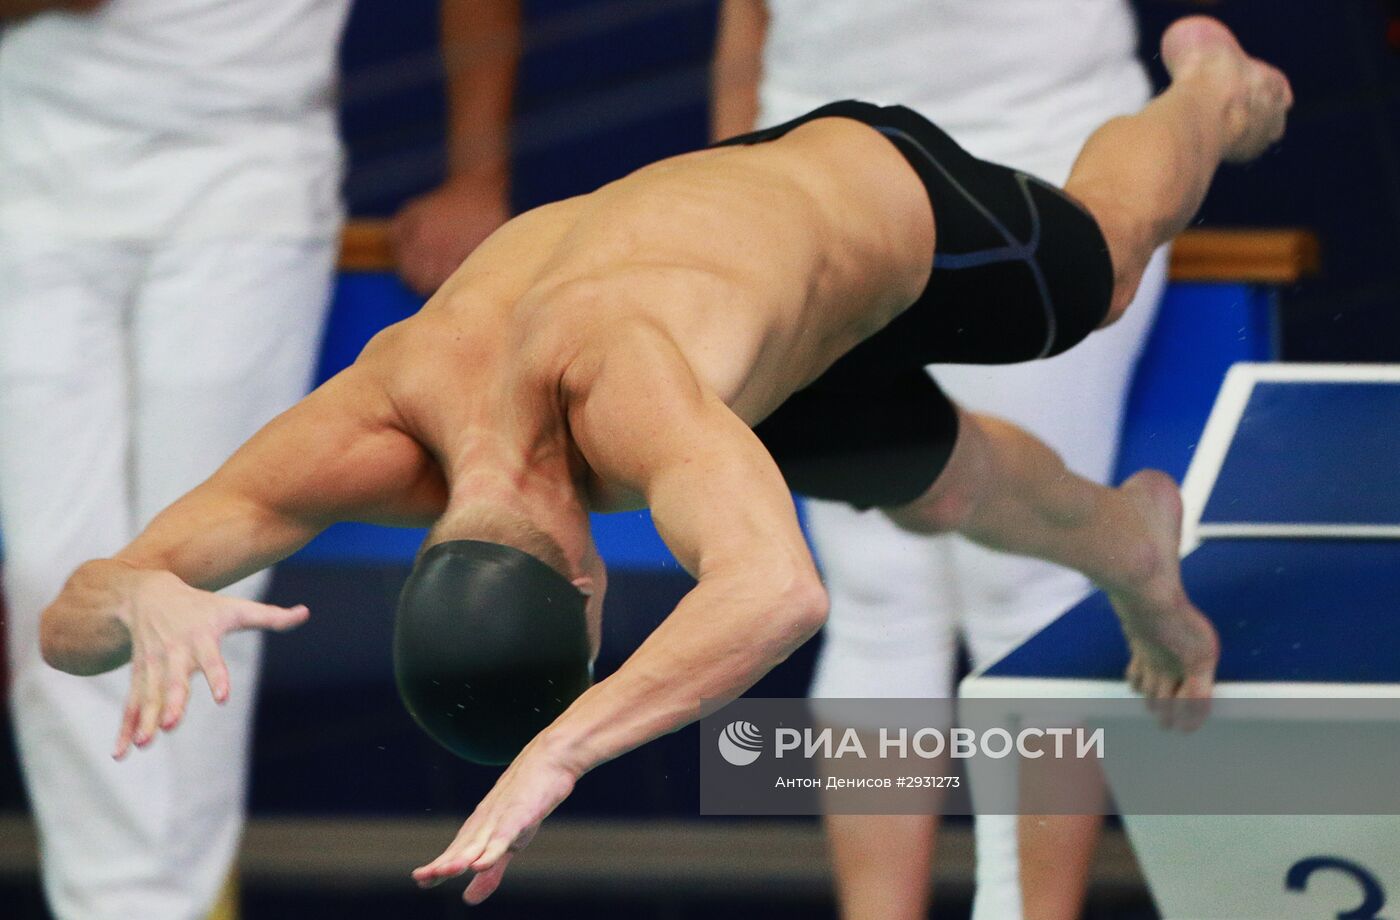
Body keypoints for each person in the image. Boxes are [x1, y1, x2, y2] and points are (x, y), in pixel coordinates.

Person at [37, 16, 1288, 908]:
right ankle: (1130, 541)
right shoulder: (376, 416)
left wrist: (566, 747)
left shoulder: (623, 384)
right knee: (942, 488)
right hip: (744, 329)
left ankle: (1204, 92)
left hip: (878, 203)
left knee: (1101, 268)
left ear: (590, 600)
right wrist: (140, 584)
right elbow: (65, 622)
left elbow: (776, 590)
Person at [0, 1, 517, 918]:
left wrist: (478, 175)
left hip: (246, 176)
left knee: (203, 570)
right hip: (28, 173)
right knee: (51, 578)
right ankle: (127, 903)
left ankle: (153, 902)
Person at [711, 3, 1169, 918]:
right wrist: (737, 193)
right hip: (817, 170)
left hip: (1041, 155)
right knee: (878, 595)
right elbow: (748, 17)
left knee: (1029, 585)